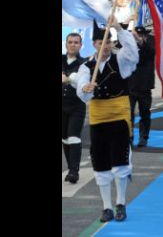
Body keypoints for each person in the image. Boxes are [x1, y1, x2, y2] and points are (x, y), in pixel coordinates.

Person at [76, 22, 139, 223]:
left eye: (109, 42)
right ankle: (106, 207)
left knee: (120, 161)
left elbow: (133, 53)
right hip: (98, 118)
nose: (106, 46)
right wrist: (86, 89)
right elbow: (83, 95)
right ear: (95, 44)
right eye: (101, 43)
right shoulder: (86, 67)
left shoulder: (120, 60)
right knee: (100, 162)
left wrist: (120, 30)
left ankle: (121, 203)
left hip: (119, 116)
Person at [62, 33, 87, 184]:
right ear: (66, 44)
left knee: (74, 136)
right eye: (70, 42)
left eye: (76, 42)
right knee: (65, 139)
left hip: (77, 105)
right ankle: (71, 167)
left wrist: (69, 79)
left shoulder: (84, 64)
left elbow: (82, 83)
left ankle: (73, 171)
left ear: (80, 45)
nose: (73, 45)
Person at [128, 26, 155, 147]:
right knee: (128, 113)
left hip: (145, 85)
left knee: (145, 112)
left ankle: (144, 136)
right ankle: (129, 136)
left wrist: (139, 41)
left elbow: (150, 51)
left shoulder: (150, 41)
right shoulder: (128, 44)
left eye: (141, 35)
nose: (139, 37)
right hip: (130, 86)